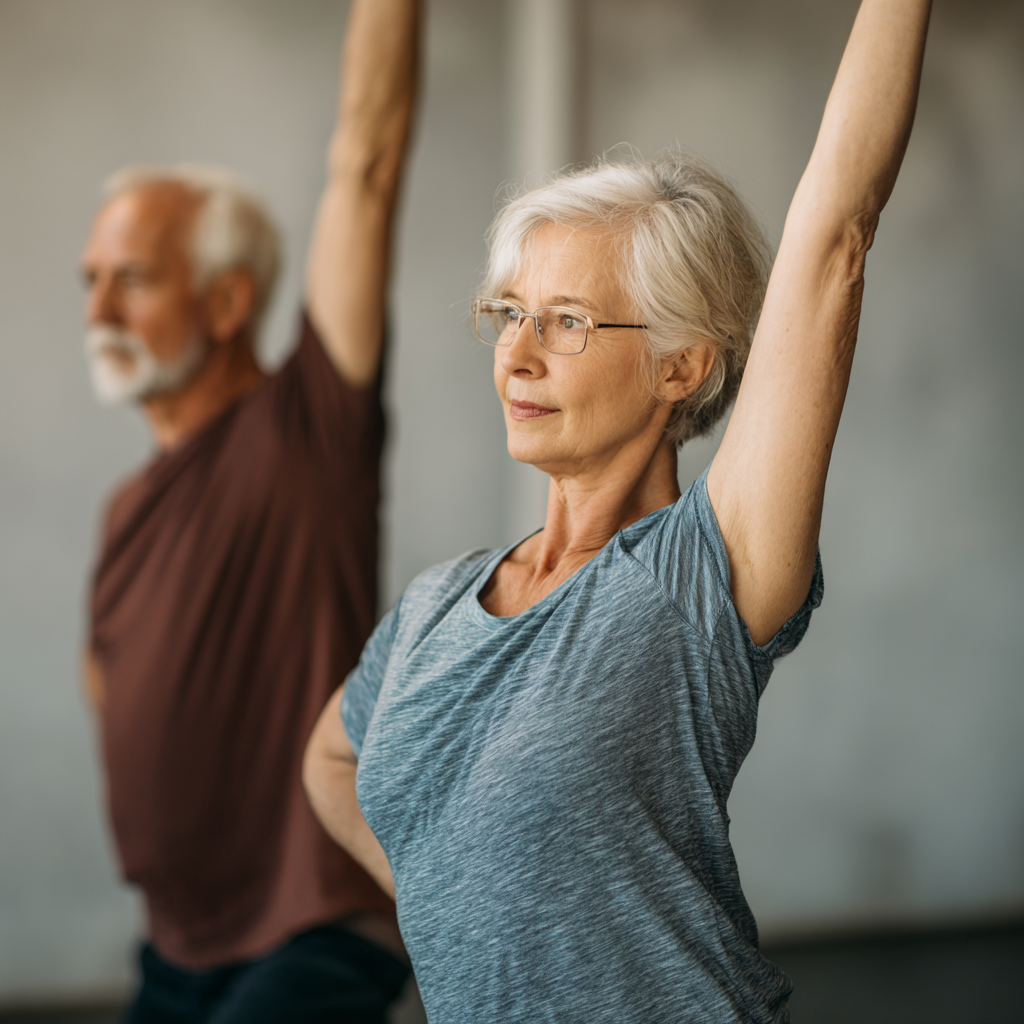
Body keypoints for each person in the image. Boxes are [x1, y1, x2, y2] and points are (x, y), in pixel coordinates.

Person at [303, 1, 933, 1021]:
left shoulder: (696, 576)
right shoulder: (431, 608)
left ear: (680, 364)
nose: (515, 352)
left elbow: (835, 232)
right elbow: (330, 758)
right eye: (509, 314)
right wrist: (456, 889)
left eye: (565, 320)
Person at [81, 1, 420, 1021]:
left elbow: (366, 159)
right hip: (174, 944)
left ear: (226, 303)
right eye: (90, 280)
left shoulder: (306, 430)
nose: (96, 310)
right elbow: (113, 687)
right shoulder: (124, 508)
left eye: (132, 280)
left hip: (311, 933)